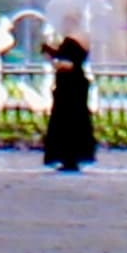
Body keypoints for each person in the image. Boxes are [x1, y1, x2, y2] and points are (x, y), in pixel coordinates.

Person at [41, 32, 96, 172]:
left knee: (68, 128)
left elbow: (66, 64)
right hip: (69, 101)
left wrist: (52, 56)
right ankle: (69, 158)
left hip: (68, 101)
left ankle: (69, 157)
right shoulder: (77, 67)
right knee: (70, 127)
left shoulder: (72, 60)